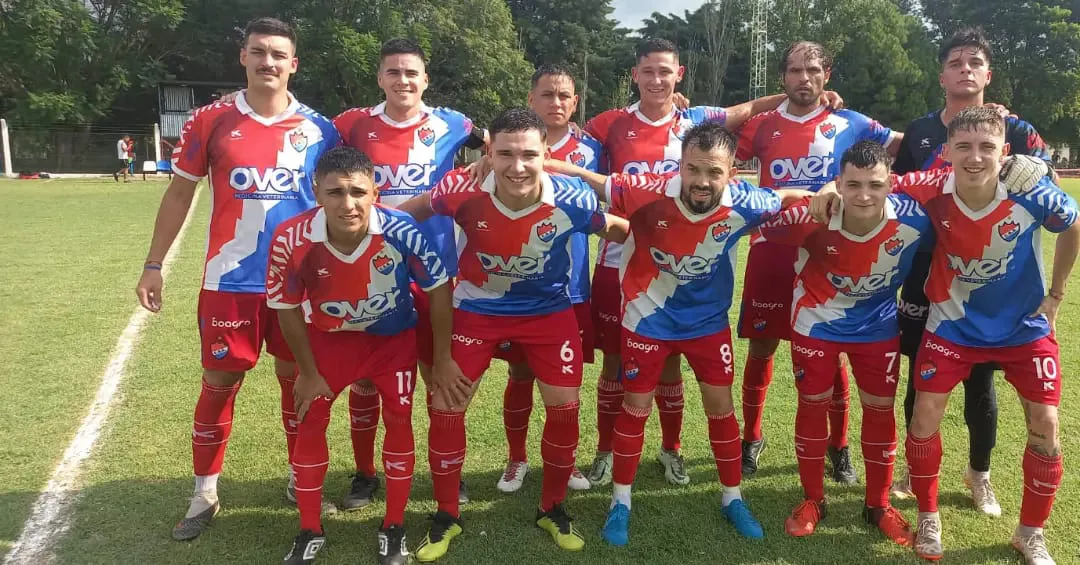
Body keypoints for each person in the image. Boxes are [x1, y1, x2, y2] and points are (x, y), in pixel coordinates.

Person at [818, 107, 1076, 563]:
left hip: (1023, 328)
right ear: (947, 151)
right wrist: (827, 188)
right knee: (924, 417)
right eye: (964, 147)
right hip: (952, 325)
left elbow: (1072, 225)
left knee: (1046, 423)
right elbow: (875, 183)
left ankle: (1030, 533)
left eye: (987, 147)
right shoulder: (933, 185)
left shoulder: (1030, 191)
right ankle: (928, 516)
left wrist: (1056, 295)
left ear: (1004, 151)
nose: (975, 157)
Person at [581, 37, 840, 488]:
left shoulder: (696, 119)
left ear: (679, 75)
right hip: (619, 258)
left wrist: (810, 96)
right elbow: (570, 147)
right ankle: (606, 451)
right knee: (616, 364)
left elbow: (746, 109)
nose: (657, 80)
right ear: (635, 75)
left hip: (684, 263)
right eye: (648, 71)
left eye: (666, 71)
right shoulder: (609, 123)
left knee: (671, 363)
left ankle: (671, 449)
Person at [549, 122, 809, 544]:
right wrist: (541, 163)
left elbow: (788, 197)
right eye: (693, 169)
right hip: (647, 318)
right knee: (635, 406)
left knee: (720, 408)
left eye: (714, 172)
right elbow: (592, 180)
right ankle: (620, 502)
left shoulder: (747, 200)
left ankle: (732, 498)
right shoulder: (647, 190)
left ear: (732, 173)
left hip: (707, 323)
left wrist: (830, 192)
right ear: (680, 167)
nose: (702, 181)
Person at [134, 17, 340, 541]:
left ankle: (301, 478)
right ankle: (204, 492)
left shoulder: (321, 130)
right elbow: (179, 194)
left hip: (299, 285)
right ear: (243, 57)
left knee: (299, 383)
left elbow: (342, 204)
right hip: (230, 282)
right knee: (219, 385)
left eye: (278, 54)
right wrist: (154, 264)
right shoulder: (210, 120)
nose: (268, 62)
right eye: (259, 52)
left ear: (294, 64)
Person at [395, 108, 628, 560]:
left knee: (564, 409)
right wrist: (367, 234)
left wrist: (664, 244)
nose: (517, 167)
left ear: (546, 153)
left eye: (528, 155)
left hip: (548, 313)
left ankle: (553, 507)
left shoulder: (572, 198)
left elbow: (617, 229)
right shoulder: (462, 189)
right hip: (477, 310)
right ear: (489, 153)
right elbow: (410, 213)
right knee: (446, 405)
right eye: (505, 154)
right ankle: (446, 514)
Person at [889, 28, 1053, 515]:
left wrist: (1038, 168)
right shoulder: (921, 130)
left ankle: (979, 473)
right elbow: (898, 188)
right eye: (955, 62)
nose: (965, 68)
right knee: (922, 375)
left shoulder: (1016, 129)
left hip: (990, 275)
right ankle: (913, 467)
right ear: (941, 75)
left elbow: (1045, 173)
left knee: (981, 379)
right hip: (927, 269)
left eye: (974, 62)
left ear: (988, 74)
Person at [269, 147, 453, 565]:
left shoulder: (401, 229)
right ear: (316, 191)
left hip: (392, 344)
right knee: (310, 421)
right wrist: (307, 371)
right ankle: (309, 529)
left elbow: (439, 289)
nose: (347, 204)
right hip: (330, 344)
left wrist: (441, 357)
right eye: (335, 192)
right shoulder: (291, 238)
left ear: (375, 191)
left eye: (357, 192)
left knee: (400, 419)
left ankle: (394, 525)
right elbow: (286, 307)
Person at [734, 41, 900, 483]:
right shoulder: (763, 124)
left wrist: (997, 127)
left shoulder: (851, 123)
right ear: (783, 76)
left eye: (812, 70)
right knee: (762, 346)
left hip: (832, 256)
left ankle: (838, 446)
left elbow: (908, 145)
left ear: (827, 74)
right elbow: (714, 147)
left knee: (834, 350)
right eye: (794, 70)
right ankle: (751, 438)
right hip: (773, 249)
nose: (803, 78)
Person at [331, 37, 486, 511]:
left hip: (434, 270)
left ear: (425, 79)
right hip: (370, 271)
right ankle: (364, 474)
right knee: (365, 379)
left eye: (411, 72)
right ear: (380, 78)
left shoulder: (453, 123)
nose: (403, 80)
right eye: (394, 72)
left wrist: (486, 158)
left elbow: (498, 139)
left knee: (439, 374)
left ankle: (447, 473)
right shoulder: (352, 123)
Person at [753, 141, 930, 546]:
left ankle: (878, 505)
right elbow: (756, 216)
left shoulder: (916, 218)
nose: (864, 195)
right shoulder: (812, 216)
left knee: (880, 409)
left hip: (878, 325)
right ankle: (813, 500)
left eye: (875, 185)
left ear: (891, 184)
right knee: (813, 405)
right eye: (853, 185)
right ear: (839, 183)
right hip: (817, 322)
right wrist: (813, 193)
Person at [494, 64, 601, 493]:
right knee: (520, 374)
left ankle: (565, 460)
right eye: (546, 95)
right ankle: (516, 458)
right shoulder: (509, 145)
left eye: (564, 96)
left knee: (566, 382)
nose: (556, 103)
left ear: (575, 102)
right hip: (519, 286)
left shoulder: (592, 148)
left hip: (571, 286)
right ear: (531, 99)